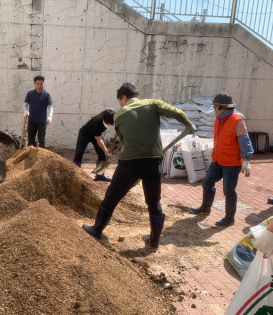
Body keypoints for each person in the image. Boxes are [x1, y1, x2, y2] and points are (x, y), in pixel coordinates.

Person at [82, 83, 194, 251]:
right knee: (154, 202)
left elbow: (125, 140)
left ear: (124, 98)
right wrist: (188, 124)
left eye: (120, 101)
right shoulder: (154, 104)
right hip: (153, 162)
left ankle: (97, 229)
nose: (120, 104)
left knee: (111, 197)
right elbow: (176, 112)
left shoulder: (119, 116)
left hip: (130, 164)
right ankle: (154, 242)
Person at [190, 92, 254, 226]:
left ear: (223, 108)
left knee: (229, 190)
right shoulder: (219, 120)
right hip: (218, 160)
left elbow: (245, 142)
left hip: (231, 163)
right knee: (207, 182)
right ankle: (205, 208)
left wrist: (246, 160)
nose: (213, 109)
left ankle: (229, 218)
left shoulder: (237, 121)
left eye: (215, 107)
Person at [73, 109, 115, 182]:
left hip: (97, 134)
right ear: (106, 120)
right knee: (78, 154)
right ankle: (75, 176)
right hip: (84, 134)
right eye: (109, 123)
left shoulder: (109, 112)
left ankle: (100, 175)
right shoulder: (97, 122)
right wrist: (106, 150)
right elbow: (99, 140)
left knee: (103, 155)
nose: (109, 125)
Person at [23, 75, 53, 148]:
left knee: (41, 140)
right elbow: (25, 105)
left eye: (41, 84)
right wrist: (26, 111)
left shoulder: (47, 95)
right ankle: (30, 157)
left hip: (42, 121)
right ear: (34, 84)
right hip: (32, 120)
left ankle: (42, 158)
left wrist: (50, 116)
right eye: (38, 84)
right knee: (31, 140)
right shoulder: (30, 94)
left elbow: (50, 107)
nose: (39, 86)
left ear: (43, 83)